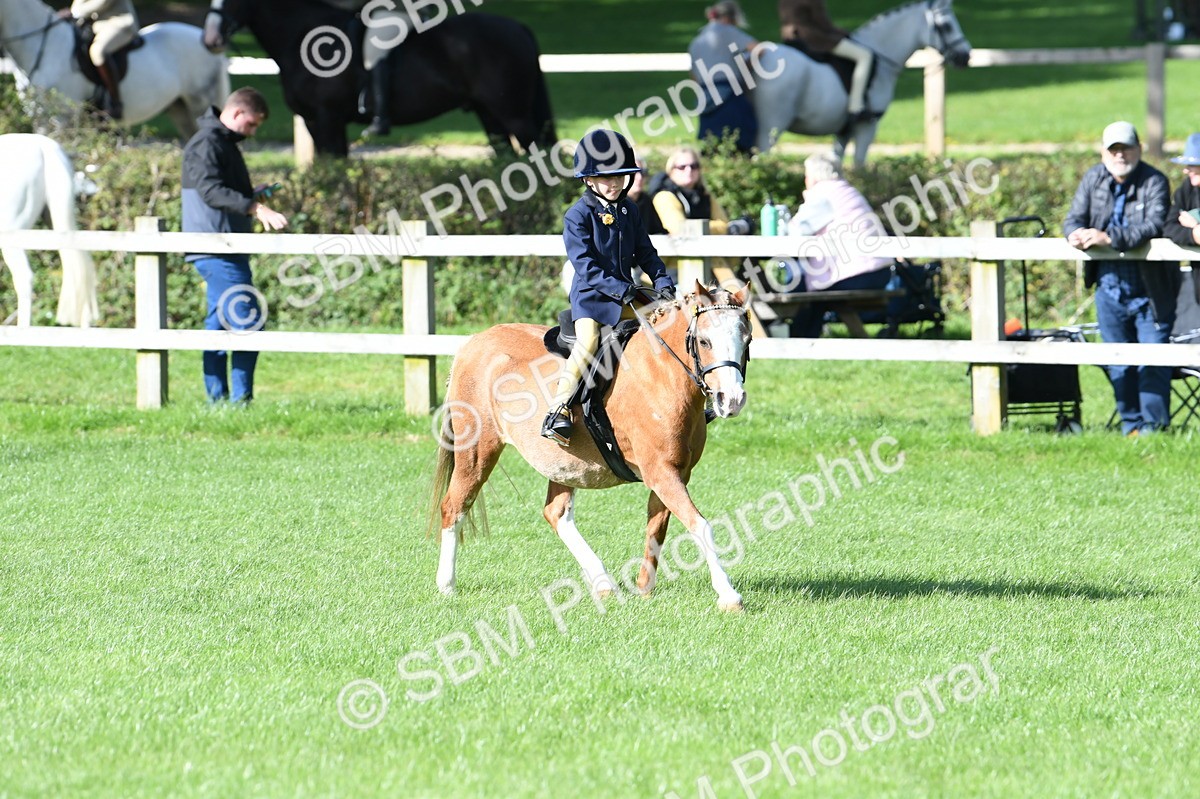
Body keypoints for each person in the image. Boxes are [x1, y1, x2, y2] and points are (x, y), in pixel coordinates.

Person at [542, 130, 676, 446]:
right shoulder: (577, 215)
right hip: (592, 298)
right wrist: (621, 288)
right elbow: (586, 267)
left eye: (620, 176)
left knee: (669, 325)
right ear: (588, 180)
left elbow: (646, 252)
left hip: (626, 291)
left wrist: (663, 282)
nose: (614, 183)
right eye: (606, 178)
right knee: (588, 341)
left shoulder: (629, 210)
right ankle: (558, 408)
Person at [1065, 121, 1180, 435]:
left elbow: (1154, 225)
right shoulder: (1093, 179)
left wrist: (1107, 237)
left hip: (1151, 289)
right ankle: (1130, 426)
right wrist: (1074, 235)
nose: (1120, 155)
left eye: (1125, 148)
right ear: (1103, 152)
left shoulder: (1154, 181)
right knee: (1117, 359)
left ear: (1139, 149)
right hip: (1108, 286)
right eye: (1113, 149)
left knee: (1153, 361)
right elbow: (1073, 217)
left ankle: (1154, 431)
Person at [182, 87, 289, 404]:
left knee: (217, 326)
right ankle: (240, 401)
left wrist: (253, 195)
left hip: (224, 245)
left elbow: (221, 192)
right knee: (248, 320)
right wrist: (256, 208)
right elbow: (211, 192)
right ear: (238, 113)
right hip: (215, 248)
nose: (253, 132)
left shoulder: (221, 142)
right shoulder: (207, 143)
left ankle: (218, 401)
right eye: (252, 124)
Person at [784, 152, 894, 337]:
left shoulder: (822, 196)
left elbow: (795, 233)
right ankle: (803, 339)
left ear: (813, 177)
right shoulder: (846, 190)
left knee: (811, 297)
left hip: (859, 274)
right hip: (879, 272)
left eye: (807, 174)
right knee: (815, 295)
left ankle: (798, 341)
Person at [778, 0, 875, 119]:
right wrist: (845, 33)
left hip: (794, 39)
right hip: (817, 39)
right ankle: (856, 105)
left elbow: (787, 20)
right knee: (865, 56)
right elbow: (824, 25)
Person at [688, 1, 762, 152]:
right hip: (729, 95)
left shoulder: (696, 41)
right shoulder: (727, 31)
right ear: (730, 18)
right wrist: (745, 69)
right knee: (741, 141)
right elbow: (758, 49)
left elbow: (693, 75)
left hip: (706, 97)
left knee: (710, 144)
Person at [61, 0, 138, 119]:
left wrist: (75, 12)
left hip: (119, 23)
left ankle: (115, 104)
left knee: (98, 52)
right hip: (93, 26)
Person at [650, 147, 752, 236]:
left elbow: (724, 224)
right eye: (682, 167)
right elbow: (678, 229)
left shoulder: (704, 195)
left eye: (694, 166)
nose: (689, 170)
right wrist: (711, 227)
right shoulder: (664, 197)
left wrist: (706, 228)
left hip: (708, 252)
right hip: (676, 254)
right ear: (671, 171)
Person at [629, 158, 665, 236]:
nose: (639, 178)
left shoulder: (645, 200)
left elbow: (658, 231)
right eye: (633, 172)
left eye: (642, 172)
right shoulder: (615, 204)